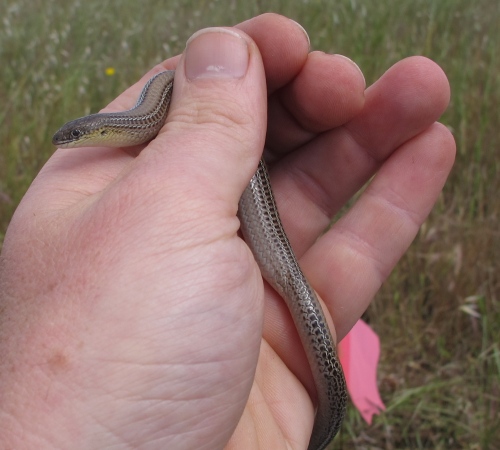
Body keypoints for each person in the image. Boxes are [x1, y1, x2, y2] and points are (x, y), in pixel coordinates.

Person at [0, 13, 455, 449]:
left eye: (73, 137)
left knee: (300, 295)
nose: (67, 142)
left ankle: (329, 411)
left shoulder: (150, 105)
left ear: (91, 133)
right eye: (71, 137)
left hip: (271, 243)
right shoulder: (140, 111)